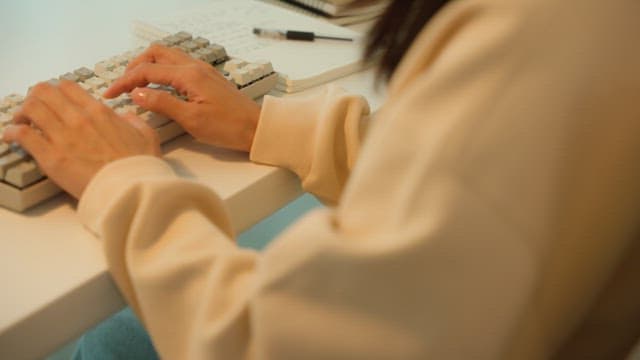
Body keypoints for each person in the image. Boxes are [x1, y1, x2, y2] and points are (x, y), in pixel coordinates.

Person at [6, 0, 640, 358]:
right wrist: (263, 126)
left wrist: (124, 180)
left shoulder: (541, 27)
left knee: (108, 335)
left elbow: (275, 346)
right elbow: (484, 168)